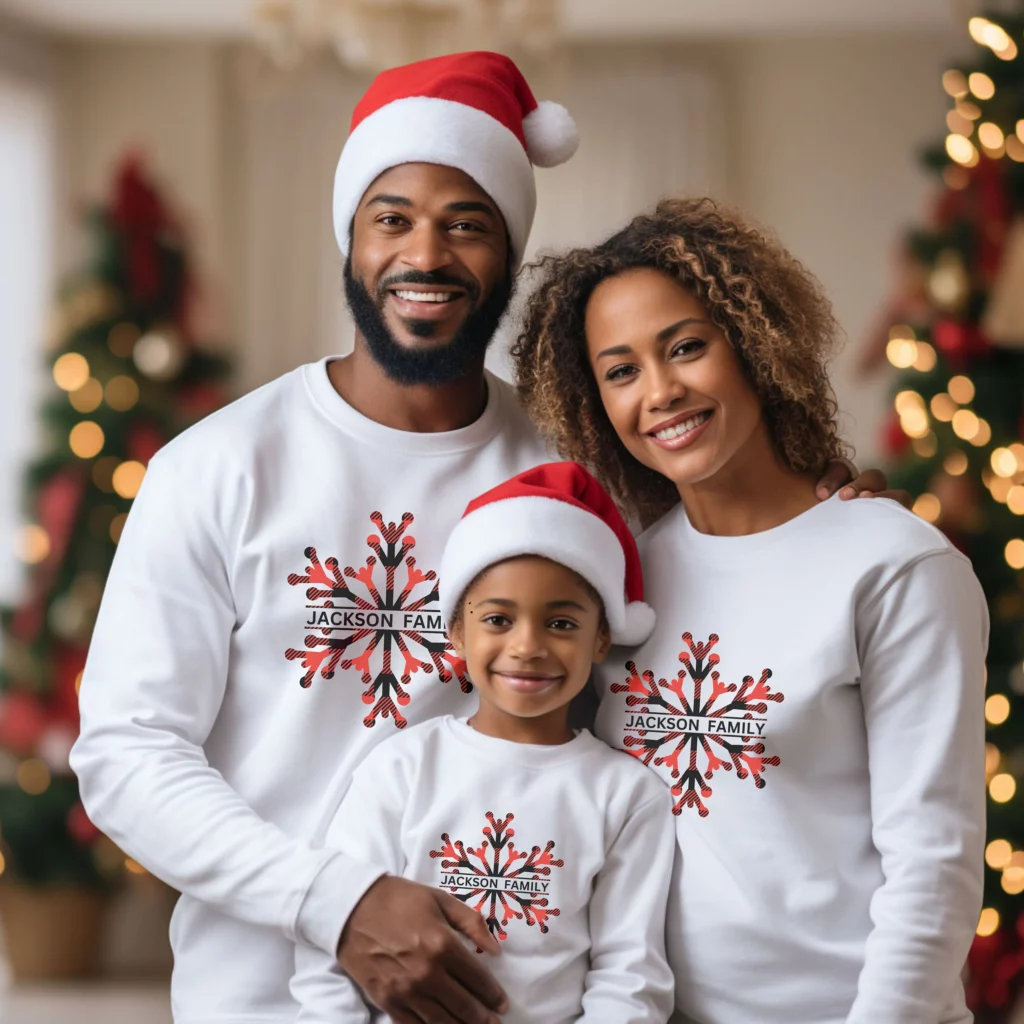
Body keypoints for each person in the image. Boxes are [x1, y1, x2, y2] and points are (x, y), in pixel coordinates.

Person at [70, 51, 901, 1024]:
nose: (426, 254)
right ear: (349, 243)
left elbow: (720, 573)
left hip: (537, 1000)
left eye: (467, 224)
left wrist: (820, 521)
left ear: (509, 256)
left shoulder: (582, 463)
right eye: (392, 219)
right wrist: (334, 904)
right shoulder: (213, 469)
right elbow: (127, 756)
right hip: (263, 999)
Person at [511, 196, 989, 1024]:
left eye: (687, 348)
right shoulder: (619, 582)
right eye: (620, 370)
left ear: (755, 344)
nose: (659, 392)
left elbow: (934, 867)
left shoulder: (893, 566)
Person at [290, 462, 676, 1023]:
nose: (527, 647)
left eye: (561, 624)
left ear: (602, 638)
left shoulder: (627, 795)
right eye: (498, 619)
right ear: (457, 633)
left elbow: (630, 973)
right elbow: (334, 940)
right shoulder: (401, 768)